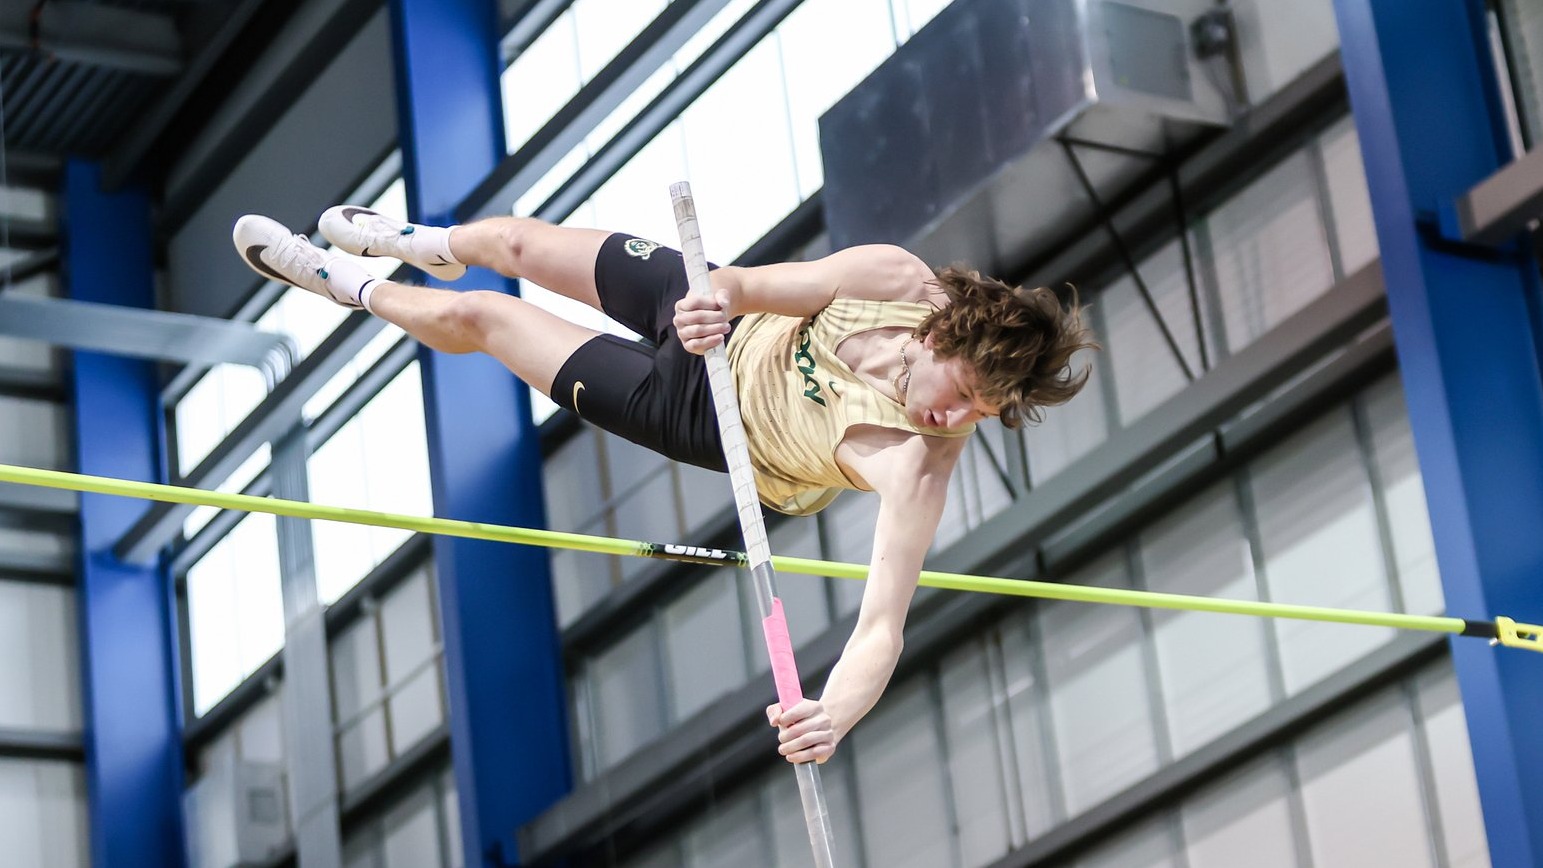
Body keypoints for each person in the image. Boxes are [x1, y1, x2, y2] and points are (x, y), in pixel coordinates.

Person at [233, 206, 1096, 766]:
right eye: (964, 398)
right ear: (944, 336)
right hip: (715, 334)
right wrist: (706, 301)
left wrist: (831, 716)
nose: (957, 424)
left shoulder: (918, 467)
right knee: (519, 246)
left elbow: (880, 628)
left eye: (983, 415)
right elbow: (745, 285)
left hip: (699, 418)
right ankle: (419, 243)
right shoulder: (894, 278)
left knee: (483, 320)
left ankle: (344, 281)